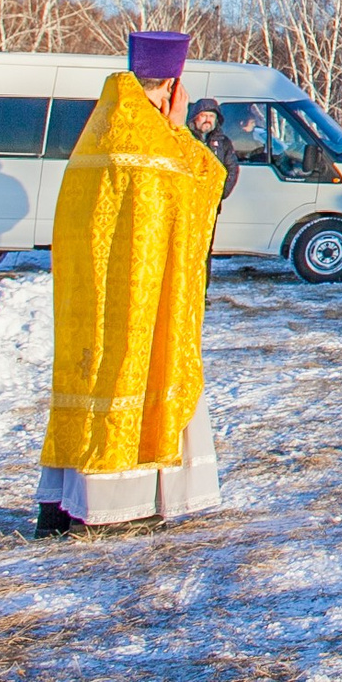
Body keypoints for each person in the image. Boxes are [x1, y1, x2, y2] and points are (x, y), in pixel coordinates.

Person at [36, 30, 226, 536]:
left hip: (91, 299)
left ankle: (64, 500)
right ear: (172, 85)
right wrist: (181, 130)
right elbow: (204, 187)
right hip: (143, 299)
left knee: (92, 380)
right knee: (138, 378)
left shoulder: (100, 130)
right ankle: (121, 504)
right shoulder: (155, 142)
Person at [188, 99, 240, 197]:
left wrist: (220, 194)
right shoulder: (186, 139)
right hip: (189, 200)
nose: (208, 120)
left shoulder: (223, 142)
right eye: (203, 116)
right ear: (195, 118)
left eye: (211, 116)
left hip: (212, 202)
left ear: (216, 120)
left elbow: (232, 169)